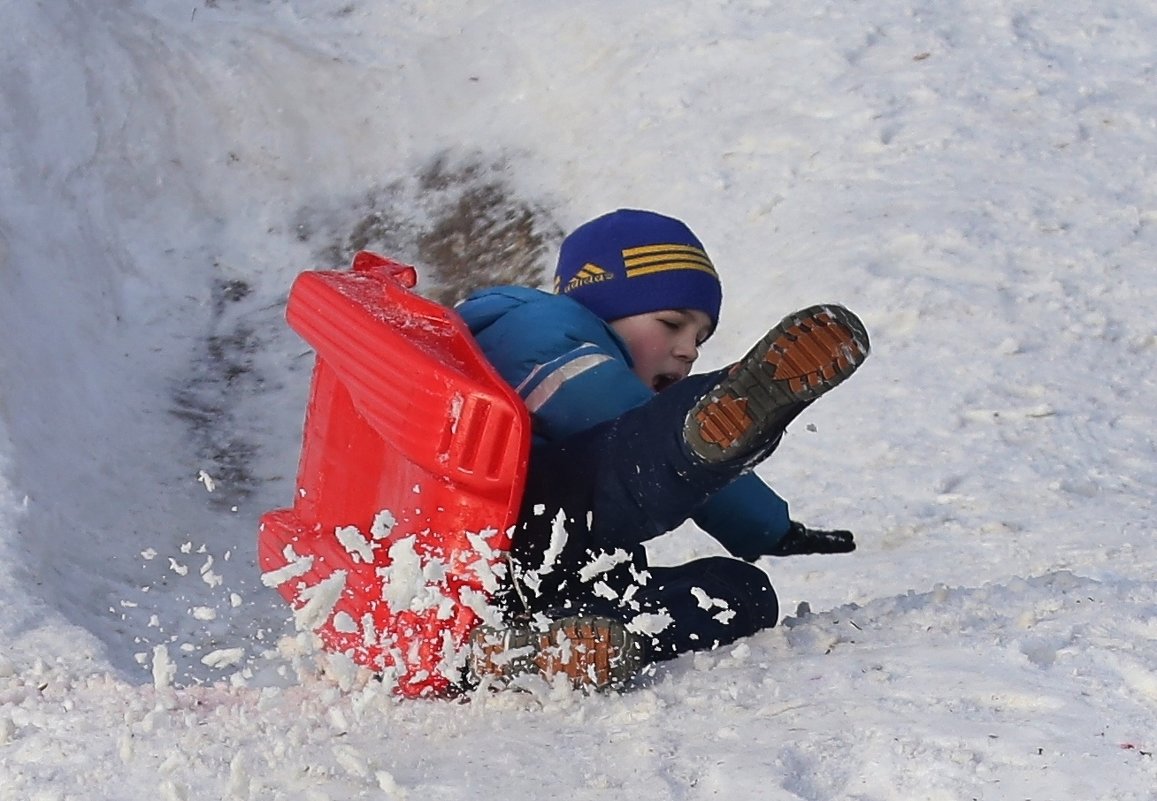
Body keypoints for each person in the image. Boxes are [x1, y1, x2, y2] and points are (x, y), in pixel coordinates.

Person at [455, 209, 869, 690]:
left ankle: (554, 646)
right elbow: (625, 435)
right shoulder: (533, 333)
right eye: (672, 323)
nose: (689, 349)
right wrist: (765, 523)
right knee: (649, 450)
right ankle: (717, 414)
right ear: (601, 302)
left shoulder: (552, 346)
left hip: (549, 588)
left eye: (700, 338)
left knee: (740, 591)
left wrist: (774, 531)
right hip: (496, 555)